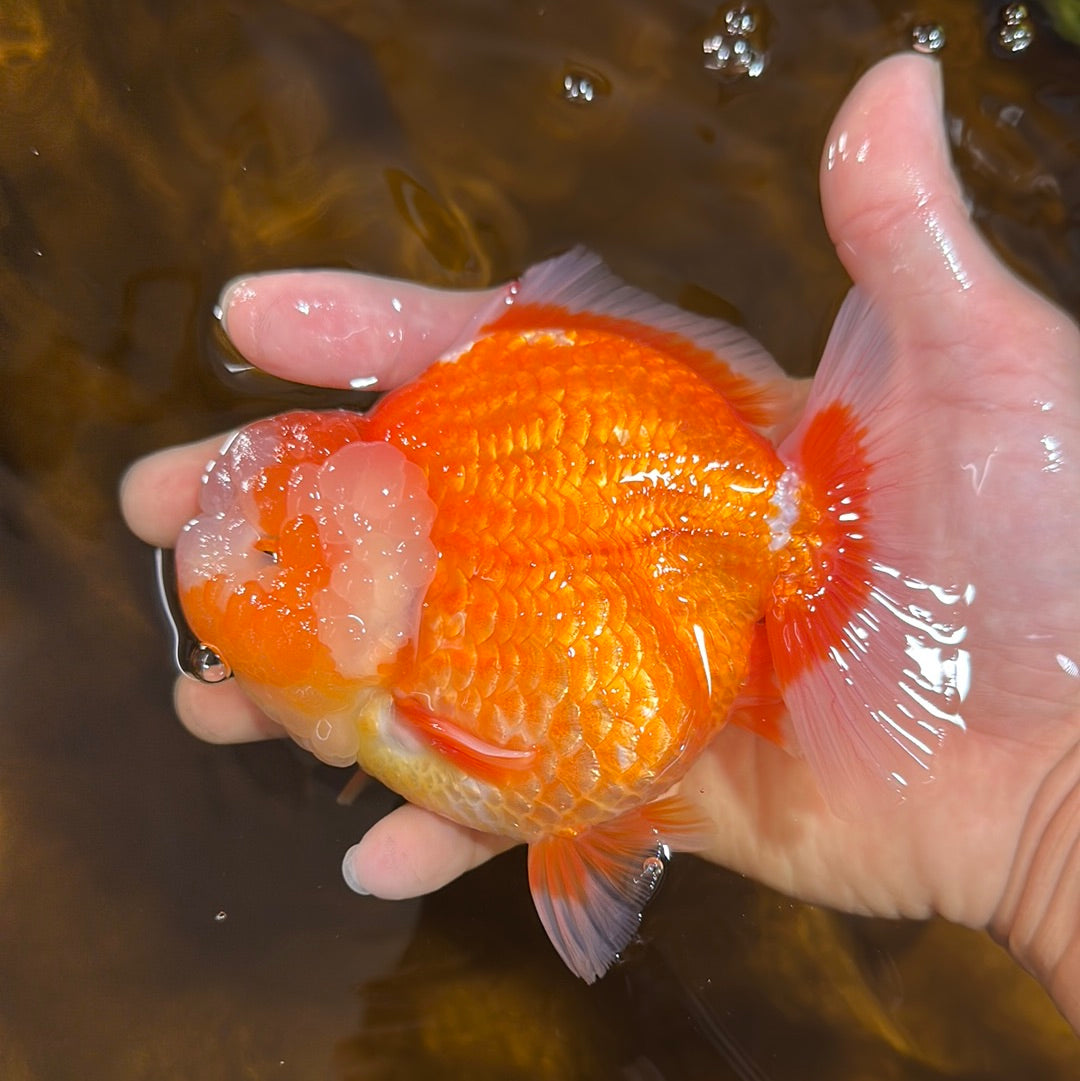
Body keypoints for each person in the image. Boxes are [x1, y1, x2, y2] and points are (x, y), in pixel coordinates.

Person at [121, 54, 1080, 1029]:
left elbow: (506, 764)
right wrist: (1047, 823)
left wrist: (1052, 799)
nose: (240, 564)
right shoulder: (392, 596)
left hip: (688, 511)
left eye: (277, 561)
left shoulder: (404, 685)